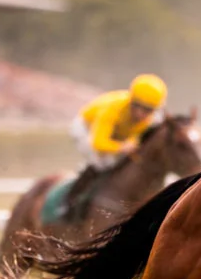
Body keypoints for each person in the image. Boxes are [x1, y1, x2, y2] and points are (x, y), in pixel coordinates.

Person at [62, 73, 167, 219]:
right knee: (103, 163)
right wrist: (122, 147)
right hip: (87, 129)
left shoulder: (154, 118)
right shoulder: (111, 110)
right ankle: (70, 202)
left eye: (149, 110)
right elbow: (98, 143)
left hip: (117, 133)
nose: (144, 114)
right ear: (132, 102)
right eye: (140, 108)